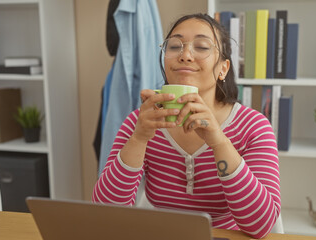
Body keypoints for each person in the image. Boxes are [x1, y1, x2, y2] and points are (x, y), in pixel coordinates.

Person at [92, 13, 280, 239]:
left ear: (223, 68)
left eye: (201, 47)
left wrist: (218, 141)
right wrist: (139, 138)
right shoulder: (140, 122)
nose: (185, 55)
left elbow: (260, 226)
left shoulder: (254, 127)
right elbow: (106, 213)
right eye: (175, 46)